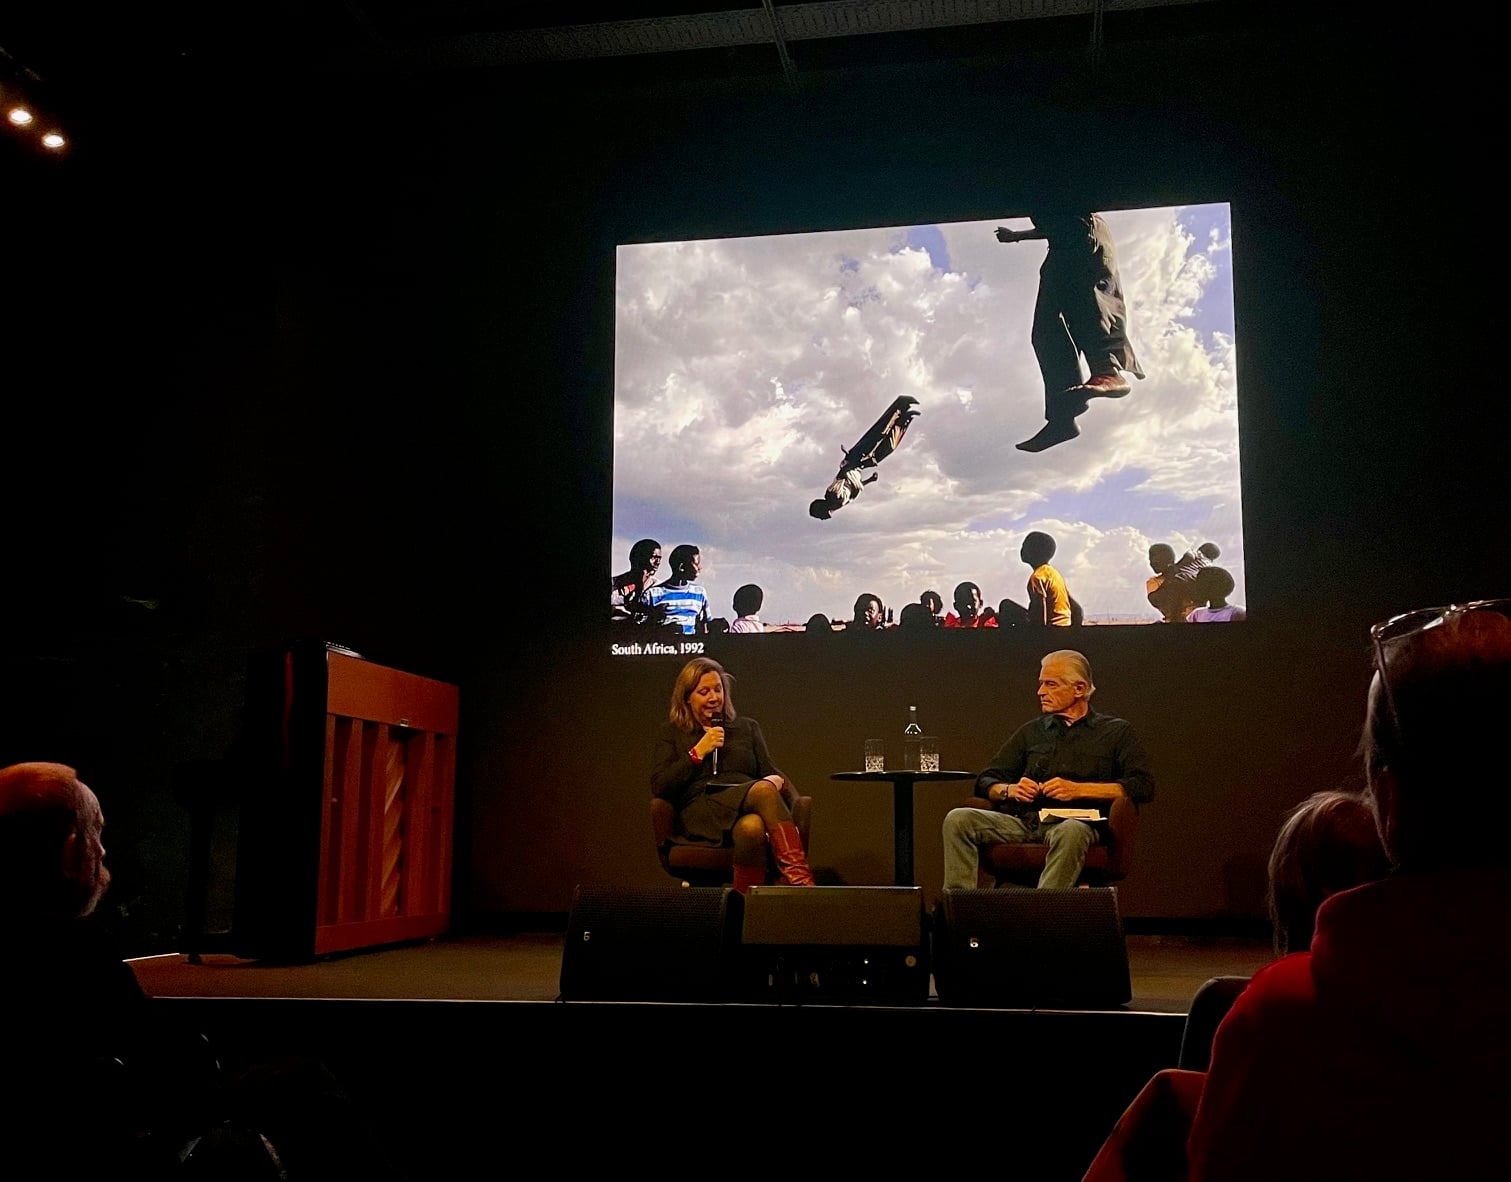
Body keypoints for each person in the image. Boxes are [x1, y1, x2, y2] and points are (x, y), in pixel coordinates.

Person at [0, 762, 402, 1178]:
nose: (102, 851)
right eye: (95, 834)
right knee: (308, 1086)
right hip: (129, 1140)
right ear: (69, 852)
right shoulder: (75, 948)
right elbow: (164, 1071)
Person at [941, 650, 1154, 890]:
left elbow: (1141, 785)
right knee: (959, 819)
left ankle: (1043, 913)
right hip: (1027, 821)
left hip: (1078, 823)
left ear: (1079, 689)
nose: (1040, 692)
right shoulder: (1032, 732)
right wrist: (1009, 790)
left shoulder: (1116, 732)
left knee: (1071, 830)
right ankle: (961, 912)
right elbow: (986, 780)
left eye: (1051, 684)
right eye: (1041, 684)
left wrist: (1078, 790)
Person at [650, 658, 815, 894]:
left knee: (752, 828)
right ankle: (800, 883)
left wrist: (774, 781)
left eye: (717, 690)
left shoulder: (747, 728)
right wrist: (698, 751)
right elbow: (661, 786)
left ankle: (743, 909)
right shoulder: (672, 733)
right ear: (687, 697)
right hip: (702, 811)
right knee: (761, 791)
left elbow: (768, 771)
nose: (713, 698)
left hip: (745, 807)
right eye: (703, 692)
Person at [995, 212, 1145, 454]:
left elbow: (1064, 207)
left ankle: (1108, 371)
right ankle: (1062, 419)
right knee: (1045, 330)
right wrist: (1018, 236)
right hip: (1062, 239)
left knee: (1091, 304)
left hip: (1083, 232)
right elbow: (1052, 215)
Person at [643, 543, 709, 634]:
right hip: (663, 646)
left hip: (692, 646)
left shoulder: (700, 593)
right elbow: (640, 629)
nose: (699, 568)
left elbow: (705, 624)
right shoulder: (652, 594)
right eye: (696, 564)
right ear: (682, 567)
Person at [1146, 542, 1219, 623]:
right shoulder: (1207, 564)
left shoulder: (1196, 555)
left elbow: (1188, 557)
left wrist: (1177, 568)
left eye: (1156, 561)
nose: (1152, 564)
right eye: (1150, 560)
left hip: (1183, 582)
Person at [1020, 530, 1073, 626]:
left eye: (1025, 546)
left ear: (1034, 552)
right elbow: (1076, 609)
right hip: (1064, 627)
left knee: (1006, 605)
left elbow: (1039, 612)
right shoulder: (1055, 574)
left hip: (1051, 630)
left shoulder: (1037, 577)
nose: (1021, 550)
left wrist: (1039, 637)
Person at [610, 537, 663, 626]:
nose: (658, 562)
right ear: (639, 558)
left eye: (659, 558)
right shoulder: (614, 583)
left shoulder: (659, 587)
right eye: (654, 557)